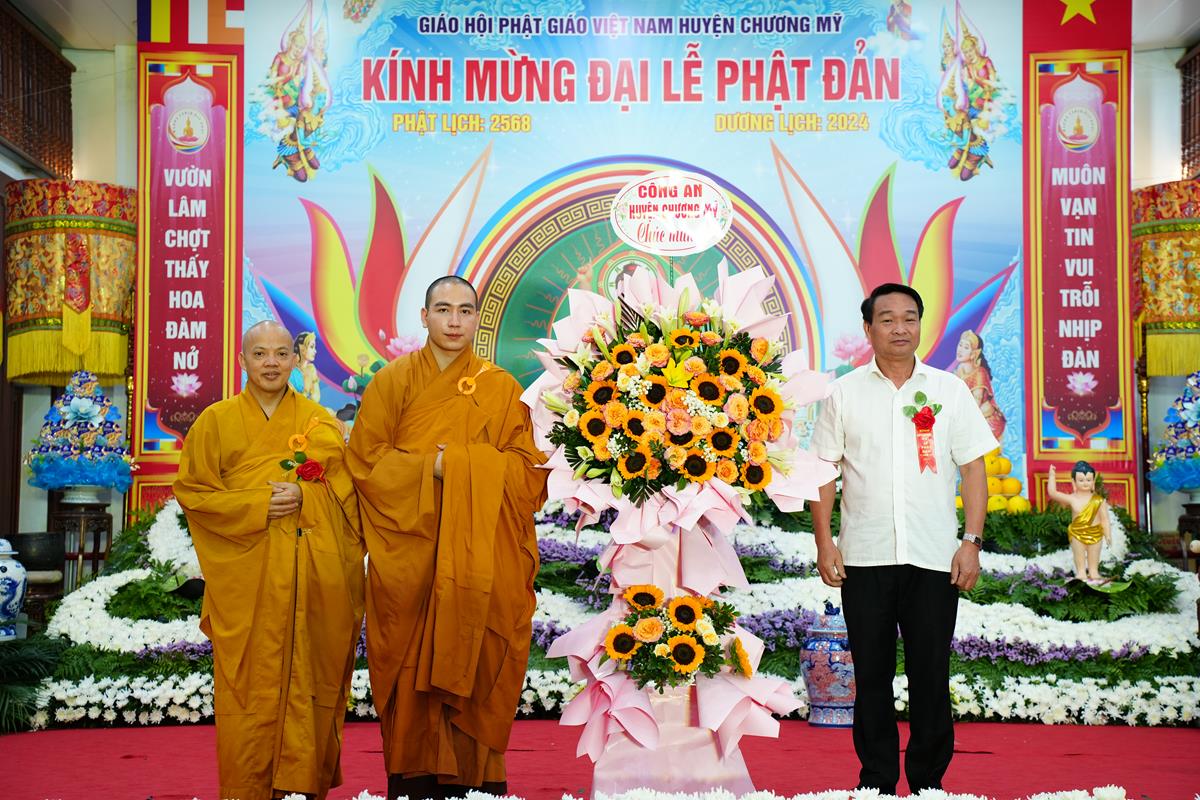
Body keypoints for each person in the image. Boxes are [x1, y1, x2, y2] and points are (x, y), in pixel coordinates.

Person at [347, 276, 548, 800]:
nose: (454, 321)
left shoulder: (501, 387)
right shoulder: (392, 382)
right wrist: (431, 470)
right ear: (424, 316)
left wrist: (456, 465)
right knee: (411, 662)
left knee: (477, 651)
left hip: (480, 557)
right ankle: (412, 776)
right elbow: (365, 463)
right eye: (443, 309)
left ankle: (478, 779)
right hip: (409, 553)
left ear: (476, 317)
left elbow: (528, 472)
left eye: (464, 310)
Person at [810, 283, 996, 795]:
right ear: (868, 328)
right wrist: (825, 543)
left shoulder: (949, 390)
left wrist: (971, 541)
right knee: (871, 676)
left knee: (930, 674)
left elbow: (973, 468)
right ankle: (876, 781)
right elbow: (823, 472)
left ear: (920, 325)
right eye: (887, 319)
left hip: (933, 556)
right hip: (865, 556)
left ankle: (929, 783)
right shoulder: (844, 392)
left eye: (909, 318)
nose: (900, 328)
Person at [173, 320, 365, 800]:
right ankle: (247, 787)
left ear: (296, 361)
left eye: (281, 353)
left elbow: (348, 499)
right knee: (247, 685)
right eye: (260, 354)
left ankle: (301, 784)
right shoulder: (215, 422)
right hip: (248, 579)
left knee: (310, 675)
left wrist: (306, 496)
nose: (272, 363)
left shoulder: (321, 423)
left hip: (309, 580)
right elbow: (194, 495)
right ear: (242, 360)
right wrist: (257, 504)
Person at [1047, 461, 1111, 582]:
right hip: (1077, 534)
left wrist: (1107, 534)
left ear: (1093, 481)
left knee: (1093, 565)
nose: (1085, 483)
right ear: (1074, 482)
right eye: (1081, 480)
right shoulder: (1072, 499)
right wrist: (1052, 476)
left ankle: (1093, 572)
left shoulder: (1099, 500)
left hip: (1096, 533)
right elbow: (1053, 493)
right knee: (1080, 560)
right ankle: (1081, 573)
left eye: (1088, 480)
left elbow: (1105, 519)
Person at [951, 330, 1006, 441]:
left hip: (986, 421)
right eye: (960, 345)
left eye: (966, 347)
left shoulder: (980, 373)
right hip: (967, 420)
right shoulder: (958, 372)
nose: (960, 350)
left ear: (974, 354)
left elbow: (976, 403)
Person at [290, 330, 321, 401]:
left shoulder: (311, 369)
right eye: (311, 347)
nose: (315, 351)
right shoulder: (291, 370)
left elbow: (316, 397)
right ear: (302, 349)